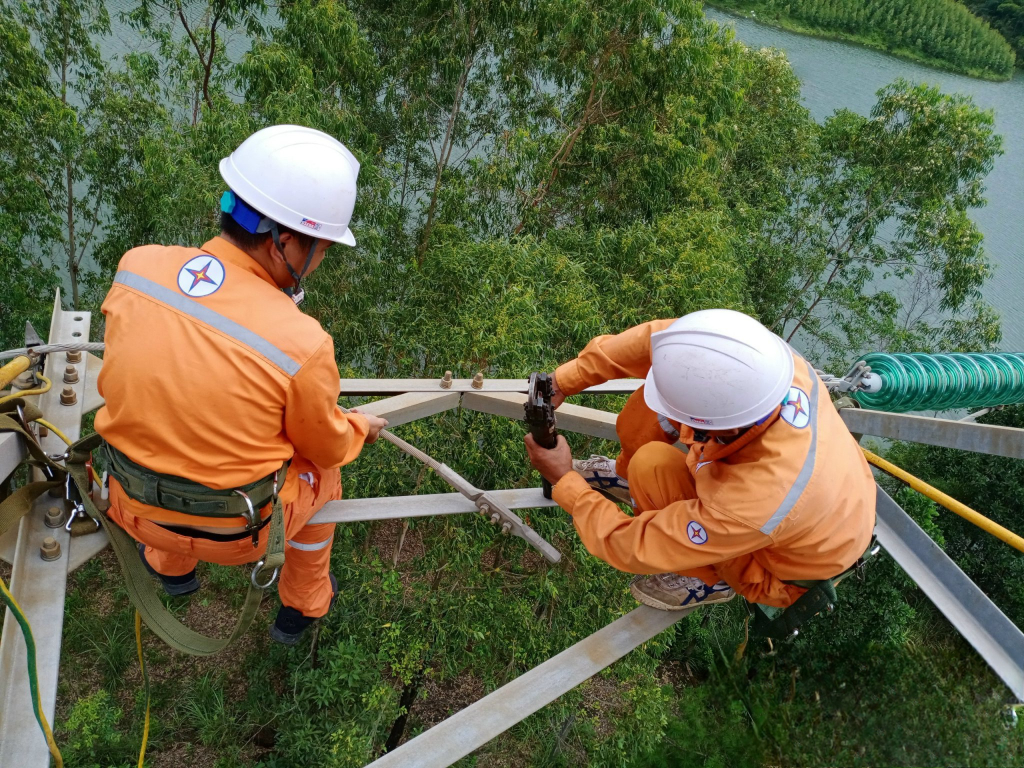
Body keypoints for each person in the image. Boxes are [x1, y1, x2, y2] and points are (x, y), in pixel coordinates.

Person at [95, 125, 388, 644]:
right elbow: (326, 444)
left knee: (162, 416)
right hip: (235, 534)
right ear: (286, 243)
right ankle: (303, 602)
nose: (319, 261)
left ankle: (169, 567)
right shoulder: (302, 343)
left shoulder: (134, 270)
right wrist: (359, 427)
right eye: (320, 248)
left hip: (129, 504)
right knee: (326, 474)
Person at [524, 309, 876, 611]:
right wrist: (565, 380)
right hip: (819, 507)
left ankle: (709, 580)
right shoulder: (761, 362)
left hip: (777, 568)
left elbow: (630, 545)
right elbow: (662, 343)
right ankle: (624, 475)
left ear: (714, 430)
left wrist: (564, 482)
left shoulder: (754, 502)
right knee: (656, 407)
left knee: (652, 468)